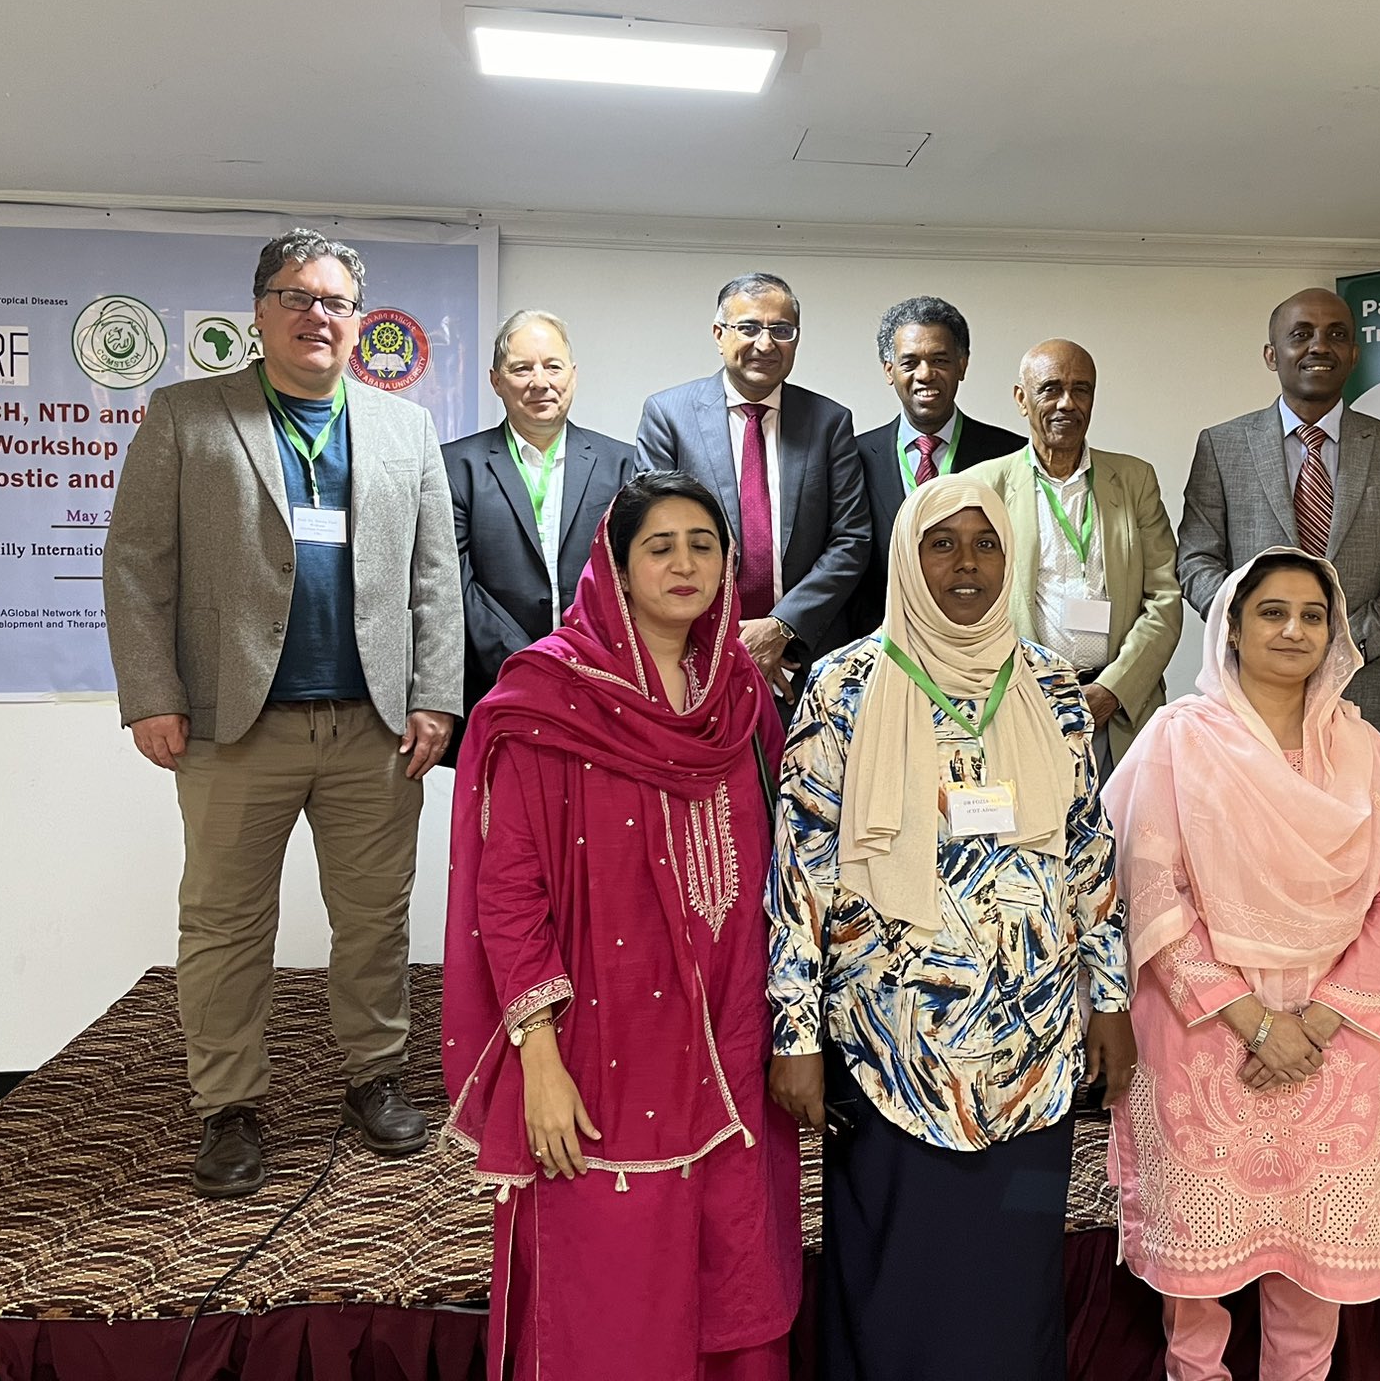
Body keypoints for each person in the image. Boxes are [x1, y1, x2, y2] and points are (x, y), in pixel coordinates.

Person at [104, 228, 462, 1196]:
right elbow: (136, 567)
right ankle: (228, 1105)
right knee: (222, 925)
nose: (317, 315)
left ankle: (375, 1079)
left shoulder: (404, 431)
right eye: (295, 297)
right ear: (258, 313)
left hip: (372, 726)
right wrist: (150, 694)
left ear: (357, 320)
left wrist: (436, 695)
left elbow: (435, 576)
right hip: (232, 726)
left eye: (335, 301)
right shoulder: (185, 415)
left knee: (374, 920)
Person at [767, 475, 1134, 1381]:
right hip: (890, 1043)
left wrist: (1112, 1000)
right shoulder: (844, 685)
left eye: (986, 545)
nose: (966, 565)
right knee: (895, 1270)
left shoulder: (1051, 686)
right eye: (943, 544)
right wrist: (795, 1035)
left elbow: (1090, 852)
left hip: (1030, 1038)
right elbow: (801, 874)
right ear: (906, 556)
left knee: (1010, 1278)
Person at [443, 471, 801, 1381]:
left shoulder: (742, 699)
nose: (685, 565)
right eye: (660, 547)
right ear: (616, 562)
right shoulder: (545, 700)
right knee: (611, 1284)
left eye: (704, 546)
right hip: (599, 1047)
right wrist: (538, 1059)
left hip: (729, 1032)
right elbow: (508, 892)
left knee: (732, 1257)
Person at [1107, 547, 1380, 1381]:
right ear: (1231, 626)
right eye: (1272, 611)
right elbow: (1149, 893)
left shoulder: (1360, 747)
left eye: (1312, 614)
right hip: (1205, 1029)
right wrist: (1252, 1020)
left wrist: (1321, 1020)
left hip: (1340, 1033)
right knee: (1198, 1269)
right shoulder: (1179, 740)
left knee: (1311, 1255)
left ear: (1335, 634)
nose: (1294, 629)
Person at [1177, 287, 1380, 746]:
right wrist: (1255, 631)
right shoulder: (1222, 447)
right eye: (1301, 334)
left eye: (1335, 334)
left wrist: (1344, 642)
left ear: (1354, 354)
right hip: (1249, 692)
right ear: (1271, 354)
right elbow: (1196, 561)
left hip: (1364, 693)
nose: (1319, 345)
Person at [636, 272, 870, 708]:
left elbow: (851, 539)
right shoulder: (668, 417)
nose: (765, 344)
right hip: (695, 655)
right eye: (748, 328)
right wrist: (726, 641)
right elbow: (657, 542)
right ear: (718, 335)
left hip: (807, 659)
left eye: (781, 330)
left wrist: (781, 627)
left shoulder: (829, 422)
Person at [964, 339, 1182, 769]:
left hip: (1119, 712)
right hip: (1019, 705)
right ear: (1021, 399)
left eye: (1081, 389)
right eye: (1050, 389)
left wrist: (1114, 690)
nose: (1067, 403)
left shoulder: (1134, 479)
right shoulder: (985, 486)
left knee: (1125, 834)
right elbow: (970, 602)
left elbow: (1165, 597)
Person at [441, 309, 636, 762]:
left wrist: (581, 660)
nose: (540, 381)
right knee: (506, 827)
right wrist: (530, 664)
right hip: (497, 687)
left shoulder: (623, 465)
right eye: (521, 368)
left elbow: (630, 579)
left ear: (573, 374)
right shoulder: (456, 466)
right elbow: (454, 582)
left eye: (552, 365)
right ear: (495, 380)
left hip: (601, 687)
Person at [847, 295, 1027, 636]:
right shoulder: (852, 458)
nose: (925, 374)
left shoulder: (1009, 455)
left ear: (962, 364)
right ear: (889, 370)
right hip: (881, 649)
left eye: (940, 359)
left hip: (979, 647)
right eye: (909, 362)